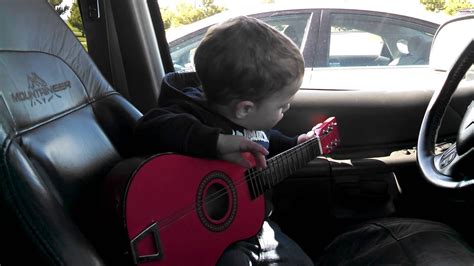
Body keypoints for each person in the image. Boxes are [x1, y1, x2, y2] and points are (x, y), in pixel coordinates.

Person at [134, 15, 316, 265]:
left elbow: (265, 142)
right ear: (244, 109)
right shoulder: (188, 113)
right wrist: (216, 142)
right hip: (212, 241)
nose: (286, 110)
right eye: (282, 105)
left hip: (257, 227)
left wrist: (297, 144)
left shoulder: (249, 125)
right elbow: (149, 128)